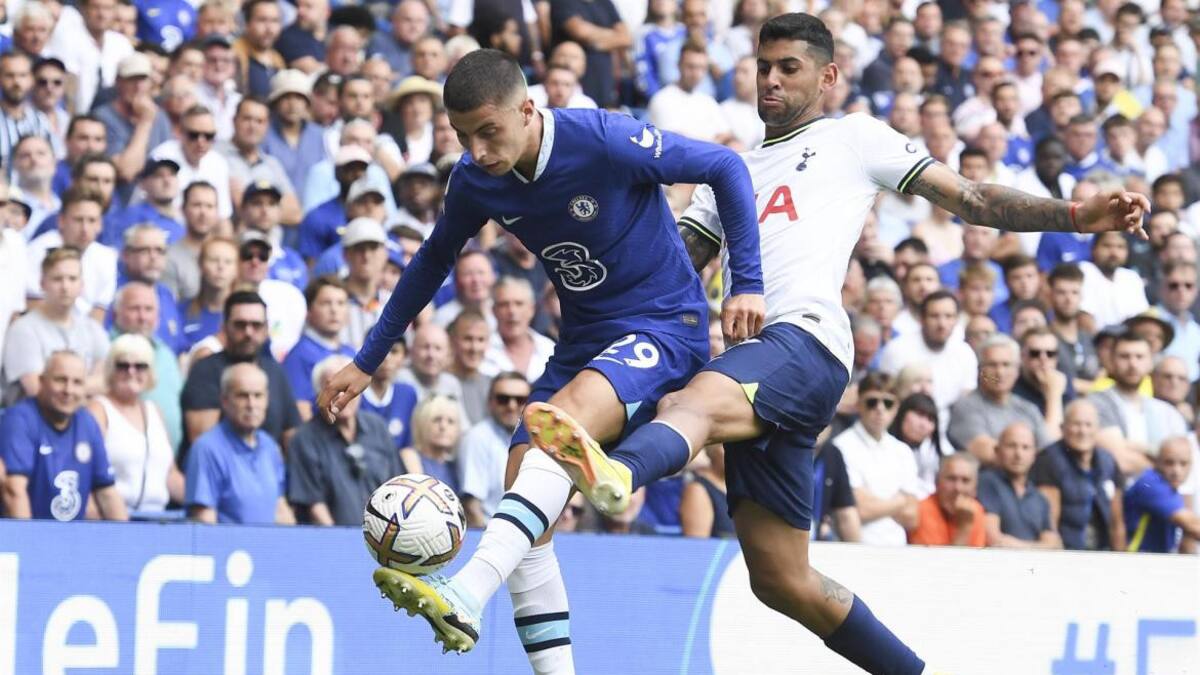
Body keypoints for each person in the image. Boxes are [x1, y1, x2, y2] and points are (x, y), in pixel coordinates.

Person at [523, 14, 1148, 675]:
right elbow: (675, 271)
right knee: (781, 579)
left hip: (807, 343)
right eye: (764, 66)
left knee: (696, 400)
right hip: (759, 364)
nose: (770, 79)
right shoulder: (728, 170)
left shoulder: (854, 137)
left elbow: (968, 197)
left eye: (788, 67)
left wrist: (1076, 216)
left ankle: (619, 471)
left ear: (827, 76)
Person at [318, 48, 763, 667]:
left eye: (488, 131)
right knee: (526, 493)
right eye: (462, 136)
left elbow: (725, 166)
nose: (475, 150)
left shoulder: (605, 139)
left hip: (663, 326)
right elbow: (431, 260)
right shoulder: (475, 179)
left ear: (528, 110)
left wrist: (747, 283)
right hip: (583, 341)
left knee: (561, 425)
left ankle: (467, 591)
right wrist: (368, 359)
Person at [0, 350, 128, 521]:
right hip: (27, 537)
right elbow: (13, 490)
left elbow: (107, 493)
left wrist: (128, 544)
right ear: (42, 381)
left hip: (71, 540)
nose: (69, 390)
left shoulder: (87, 422)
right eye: (60, 380)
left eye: (77, 383)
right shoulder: (19, 419)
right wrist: (28, 543)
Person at [288, 354, 399, 526]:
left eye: (348, 387)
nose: (342, 396)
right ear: (320, 394)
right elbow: (313, 504)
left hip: (383, 541)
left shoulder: (378, 428)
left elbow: (397, 487)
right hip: (331, 545)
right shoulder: (304, 439)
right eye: (335, 388)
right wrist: (342, 544)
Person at [181, 290, 301, 448]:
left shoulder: (275, 372)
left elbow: (293, 439)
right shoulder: (205, 371)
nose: (248, 332)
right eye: (240, 325)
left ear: (266, 331)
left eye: (256, 325)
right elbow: (202, 442)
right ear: (224, 328)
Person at [185, 361, 294, 525]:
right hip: (228, 549)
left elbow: (280, 509)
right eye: (243, 396)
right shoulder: (207, 449)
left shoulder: (270, 446)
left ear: (267, 399)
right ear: (224, 401)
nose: (251, 405)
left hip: (269, 549)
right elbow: (204, 521)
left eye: (258, 396)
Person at [85, 334, 182, 515]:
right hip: (114, 519)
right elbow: (86, 474)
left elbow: (170, 474)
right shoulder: (98, 409)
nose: (131, 371)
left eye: (140, 366)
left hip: (159, 519)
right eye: (123, 365)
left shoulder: (154, 411)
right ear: (110, 370)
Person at [5, 247, 108, 401]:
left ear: (82, 285)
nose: (65, 287)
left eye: (72, 279)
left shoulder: (91, 328)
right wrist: (86, 386)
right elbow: (36, 389)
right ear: (42, 283)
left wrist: (61, 386)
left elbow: (109, 381)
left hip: (83, 418)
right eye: (57, 279)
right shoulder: (23, 329)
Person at [833, 373, 921, 546]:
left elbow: (912, 517)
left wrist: (876, 504)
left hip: (898, 550)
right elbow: (860, 509)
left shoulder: (903, 451)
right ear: (858, 405)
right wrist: (901, 501)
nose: (880, 409)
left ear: (896, 409)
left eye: (888, 403)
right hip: (856, 549)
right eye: (872, 402)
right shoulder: (841, 447)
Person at [1033, 399, 1126, 551]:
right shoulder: (1049, 460)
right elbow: (1050, 525)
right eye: (1076, 424)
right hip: (1068, 554)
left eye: (1088, 425)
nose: (1083, 431)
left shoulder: (1108, 461)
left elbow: (1117, 523)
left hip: (1102, 553)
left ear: (1098, 429)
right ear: (1063, 428)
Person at [1089, 332, 1188, 475]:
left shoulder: (1168, 413)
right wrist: (1162, 460)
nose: (1133, 364)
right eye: (1125, 356)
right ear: (1111, 361)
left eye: (1139, 357)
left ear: (1150, 363)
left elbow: (1183, 462)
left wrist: (1130, 445)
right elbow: (1121, 460)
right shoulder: (1097, 403)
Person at [947, 334, 1051, 461]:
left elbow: (1049, 452)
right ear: (980, 371)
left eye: (1006, 365)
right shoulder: (966, 407)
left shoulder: (1028, 408)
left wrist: (1054, 396)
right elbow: (988, 454)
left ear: (1017, 370)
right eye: (992, 365)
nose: (999, 373)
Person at [111, 281, 185, 452]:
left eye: (148, 309)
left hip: (167, 462)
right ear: (116, 314)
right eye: (135, 309)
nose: (142, 317)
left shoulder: (166, 354)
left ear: (158, 317)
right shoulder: (107, 350)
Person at [458, 372, 530, 527]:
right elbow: (471, 505)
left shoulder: (537, 438)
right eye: (503, 399)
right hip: (492, 534)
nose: (511, 406)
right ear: (490, 402)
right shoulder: (477, 437)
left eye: (520, 400)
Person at [976, 422, 1061, 549]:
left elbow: (1055, 545)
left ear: (1034, 455)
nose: (1018, 454)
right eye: (1011, 446)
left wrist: (1018, 545)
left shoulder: (1039, 498)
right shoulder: (987, 482)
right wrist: (1040, 547)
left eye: (1025, 447)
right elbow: (994, 540)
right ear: (997, 451)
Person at [282, 276, 355, 420]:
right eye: (325, 303)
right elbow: (300, 413)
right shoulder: (298, 356)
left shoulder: (351, 352)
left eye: (341, 303)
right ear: (308, 311)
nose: (334, 310)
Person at [1124, 436, 1200, 553]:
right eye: (1169, 463)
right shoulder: (1151, 484)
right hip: (1136, 562)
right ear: (1157, 462)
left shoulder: (1170, 488)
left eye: (1183, 464)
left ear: (1191, 465)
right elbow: (1193, 526)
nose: (1176, 471)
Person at [481, 276, 554, 382]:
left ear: (532, 309)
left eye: (519, 304)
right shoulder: (482, 349)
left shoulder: (549, 349)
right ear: (493, 310)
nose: (512, 311)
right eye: (504, 304)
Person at [907, 453, 987, 547]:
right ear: (936, 482)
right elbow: (942, 561)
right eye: (951, 479)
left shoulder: (976, 509)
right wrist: (964, 528)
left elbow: (977, 560)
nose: (958, 488)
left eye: (965, 480)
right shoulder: (921, 510)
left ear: (975, 488)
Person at [163, 181, 219, 301]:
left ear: (217, 212)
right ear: (183, 209)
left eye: (209, 206)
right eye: (196, 205)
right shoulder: (169, 257)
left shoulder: (229, 254)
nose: (203, 213)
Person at [359, 341, 419, 451]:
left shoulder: (407, 394)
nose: (386, 357)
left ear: (405, 356)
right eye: (379, 349)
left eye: (394, 351)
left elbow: (409, 446)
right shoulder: (354, 394)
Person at [399, 394, 464, 491]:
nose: (443, 426)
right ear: (422, 423)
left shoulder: (455, 466)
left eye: (450, 421)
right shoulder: (410, 456)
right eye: (436, 420)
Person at [679, 444, 735, 538]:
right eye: (726, 447)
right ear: (712, 451)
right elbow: (698, 545)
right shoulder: (698, 490)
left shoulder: (740, 485)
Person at [448, 309, 492, 426]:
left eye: (480, 340)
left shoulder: (493, 385)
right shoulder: (440, 382)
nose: (474, 348)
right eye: (468, 339)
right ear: (453, 340)